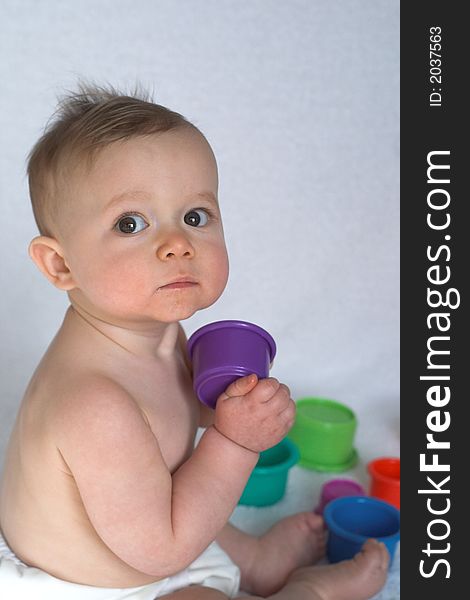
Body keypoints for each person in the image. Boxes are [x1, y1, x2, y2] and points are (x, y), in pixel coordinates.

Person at [0, 84, 389, 599]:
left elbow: (177, 418)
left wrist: (227, 405)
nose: (178, 244)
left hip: (141, 526)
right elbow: (164, 548)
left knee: (179, 484)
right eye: (130, 223)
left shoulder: (150, 333)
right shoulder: (94, 405)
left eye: (195, 216)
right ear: (61, 264)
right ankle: (310, 593)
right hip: (89, 581)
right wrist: (234, 442)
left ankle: (256, 558)